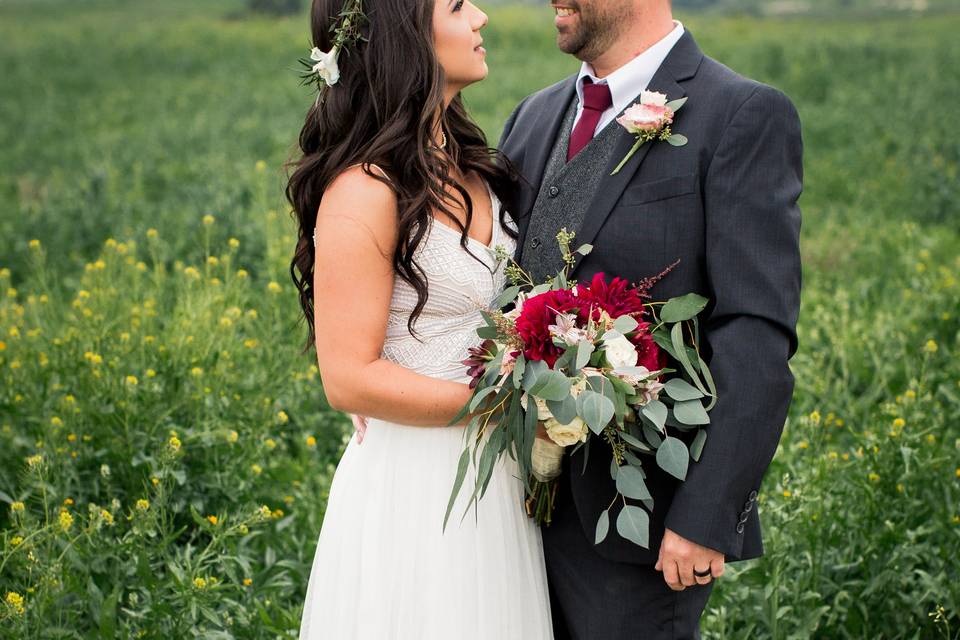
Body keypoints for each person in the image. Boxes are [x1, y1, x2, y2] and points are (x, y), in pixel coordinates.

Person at [496, 1, 803, 638]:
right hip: (508, 524)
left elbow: (755, 334)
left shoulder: (741, 114)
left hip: (643, 535)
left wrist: (705, 516)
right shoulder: (532, 116)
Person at [285, 0, 553, 638]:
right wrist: (508, 403)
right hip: (416, 488)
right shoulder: (364, 191)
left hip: (500, 482)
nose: (482, 17)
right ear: (406, 36)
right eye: (459, 6)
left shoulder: (477, 165)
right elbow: (348, 379)